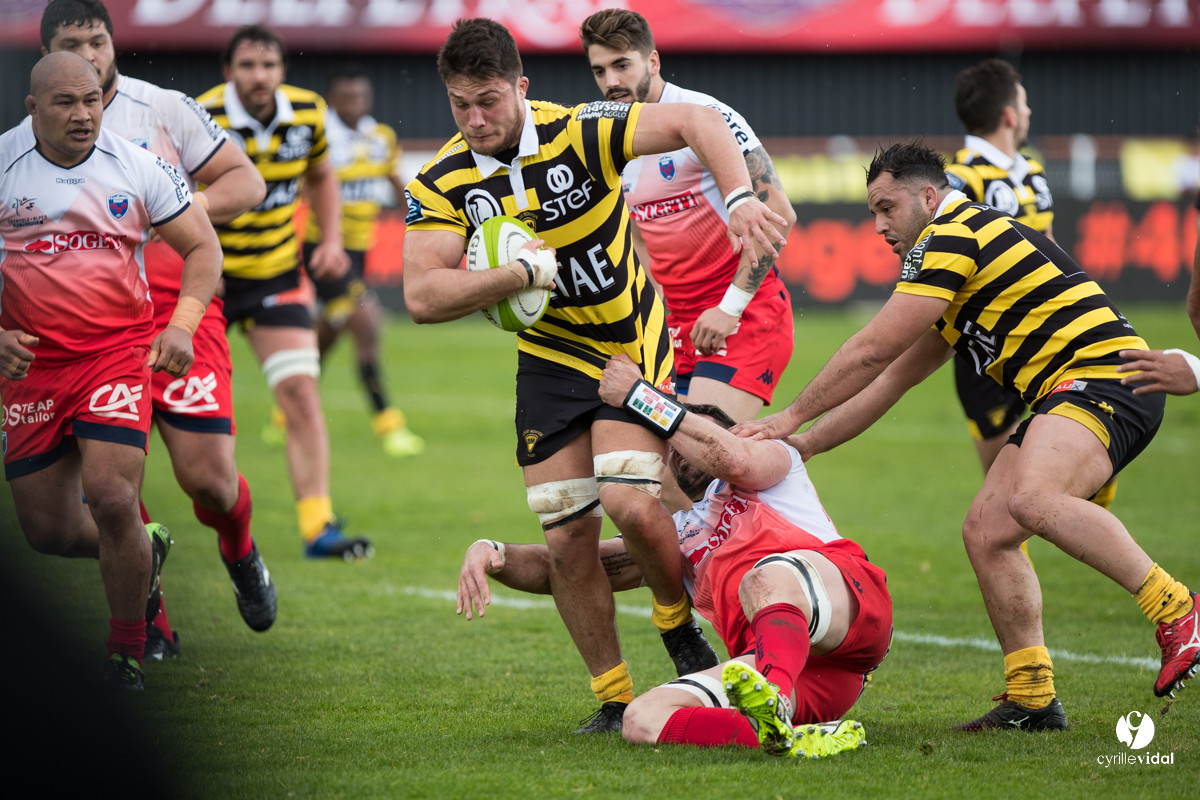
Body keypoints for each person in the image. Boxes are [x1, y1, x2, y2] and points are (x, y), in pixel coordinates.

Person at [402, 17, 787, 733]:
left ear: (521, 86)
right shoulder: (443, 179)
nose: (477, 119)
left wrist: (739, 199)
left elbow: (699, 121)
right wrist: (518, 274)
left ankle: (676, 624)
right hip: (548, 361)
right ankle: (612, 698)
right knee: (564, 534)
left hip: (627, 345)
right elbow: (422, 296)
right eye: (461, 104)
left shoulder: (581, 129)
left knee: (631, 500)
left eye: (489, 99)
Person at [739, 141, 1200, 731]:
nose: (879, 227)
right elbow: (889, 382)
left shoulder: (954, 233)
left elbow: (872, 349)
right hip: (1072, 389)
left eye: (887, 208)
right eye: (872, 213)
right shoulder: (950, 267)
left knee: (1031, 498)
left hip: (1108, 378)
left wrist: (788, 417)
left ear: (929, 196)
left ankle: (1177, 609)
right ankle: (1031, 696)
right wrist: (804, 445)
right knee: (987, 530)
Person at [457, 356, 891, 757]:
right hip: (802, 673)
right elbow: (574, 570)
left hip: (849, 612)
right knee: (642, 720)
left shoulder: (776, 462)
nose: (681, 449)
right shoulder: (673, 534)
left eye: (691, 434)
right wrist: (493, 554)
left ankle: (772, 697)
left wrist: (639, 396)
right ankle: (785, 734)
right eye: (673, 445)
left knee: (763, 577)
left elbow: (734, 460)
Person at [40, 0, 277, 656]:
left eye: (97, 41)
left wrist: (172, 207)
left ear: (114, 43)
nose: (89, 55)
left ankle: (240, 548)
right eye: (72, 45)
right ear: (47, 57)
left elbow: (246, 181)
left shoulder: (162, 108)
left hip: (181, 310)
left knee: (208, 480)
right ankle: (155, 623)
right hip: (97, 329)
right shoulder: (36, 133)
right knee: (114, 484)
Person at [0, 51, 222, 689]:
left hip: (116, 355)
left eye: (92, 100)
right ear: (32, 108)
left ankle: (126, 652)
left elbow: (202, 248)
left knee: (114, 496)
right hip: (32, 366)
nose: (83, 114)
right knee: (47, 531)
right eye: (66, 103)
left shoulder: (138, 164)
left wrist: (181, 324)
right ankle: (144, 549)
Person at [197, 25, 372, 560]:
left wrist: (333, 239)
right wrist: (198, 259)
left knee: (300, 393)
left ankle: (318, 528)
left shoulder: (306, 111)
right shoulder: (201, 117)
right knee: (164, 395)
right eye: (248, 66)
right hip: (206, 280)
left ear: (282, 71)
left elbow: (321, 175)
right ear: (229, 72)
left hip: (276, 274)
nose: (260, 76)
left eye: (269, 65)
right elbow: (171, 194)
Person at [578, 9, 796, 423]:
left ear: (653, 62)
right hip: (675, 325)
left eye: (622, 65)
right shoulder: (611, 135)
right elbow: (638, 238)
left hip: (742, 314)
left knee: (701, 461)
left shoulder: (706, 117)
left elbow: (779, 215)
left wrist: (730, 308)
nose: (611, 82)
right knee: (663, 474)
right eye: (600, 70)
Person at [945, 59, 1116, 509]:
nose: (1030, 112)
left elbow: (1051, 247)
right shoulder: (959, 181)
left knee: (1076, 464)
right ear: (1010, 115)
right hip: (985, 348)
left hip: (1050, 337)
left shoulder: (1033, 172)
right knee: (1003, 496)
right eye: (1024, 102)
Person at [276, 65, 424, 458]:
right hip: (323, 251)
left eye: (360, 97)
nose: (354, 105)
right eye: (346, 98)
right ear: (332, 101)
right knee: (367, 322)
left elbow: (396, 182)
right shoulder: (317, 138)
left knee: (327, 332)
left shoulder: (381, 138)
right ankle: (388, 424)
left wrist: (425, 214)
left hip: (359, 252)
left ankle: (284, 412)